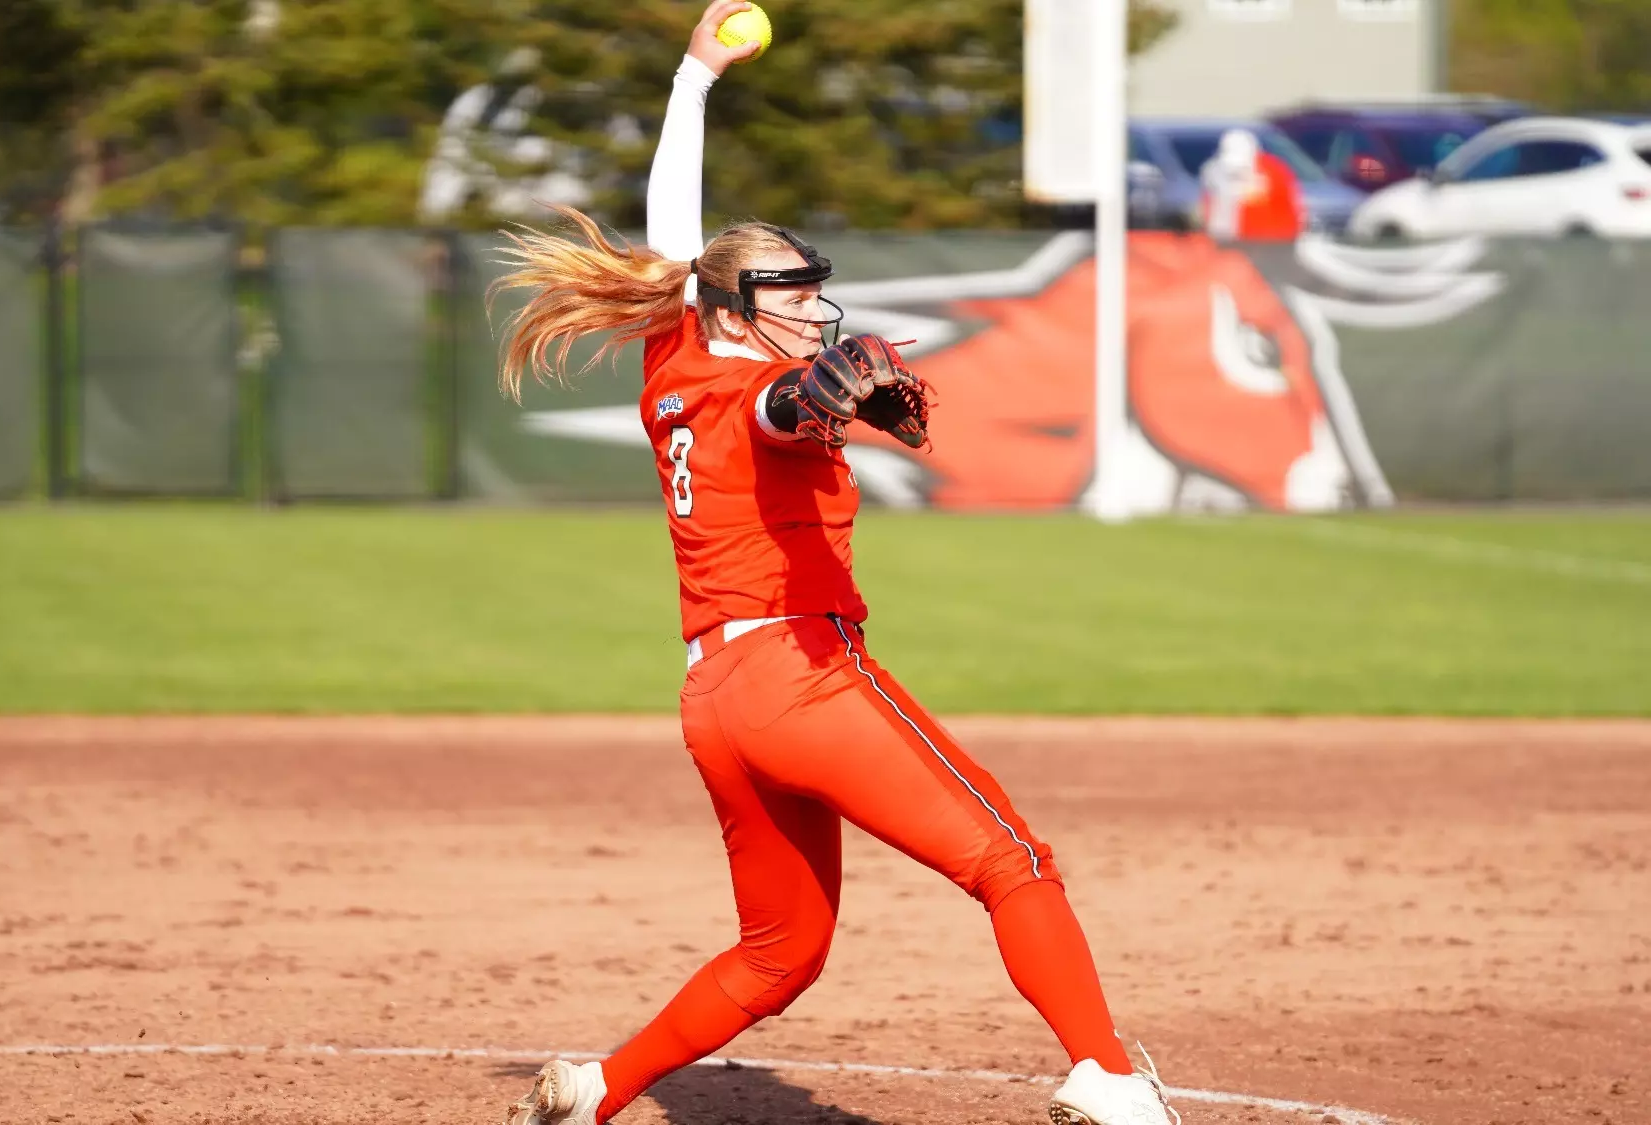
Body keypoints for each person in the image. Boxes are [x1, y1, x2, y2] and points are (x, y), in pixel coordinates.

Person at [489, 5, 1178, 1125]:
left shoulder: (676, 348)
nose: (811, 309)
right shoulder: (744, 387)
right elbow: (772, 409)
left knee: (781, 951)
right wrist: (812, 397)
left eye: (814, 287)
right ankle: (1102, 1074)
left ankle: (595, 1091)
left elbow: (674, 235)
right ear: (732, 310)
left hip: (714, 697)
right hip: (796, 677)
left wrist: (694, 77)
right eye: (788, 296)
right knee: (1012, 860)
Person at [1199, 128, 1304, 243]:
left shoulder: (1273, 171)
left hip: (1273, 239)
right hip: (1228, 238)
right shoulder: (1215, 170)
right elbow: (1210, 204)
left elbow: (1286, 203)